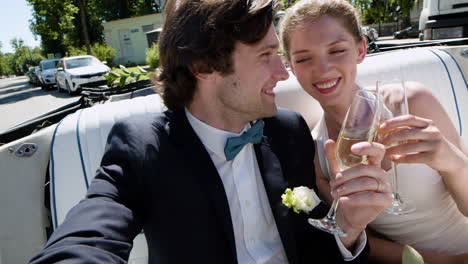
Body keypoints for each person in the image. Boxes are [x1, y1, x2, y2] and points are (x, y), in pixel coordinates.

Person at [30, 0, 392, 263]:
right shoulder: (143, 145)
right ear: (204, 65)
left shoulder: (289, 131)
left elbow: (314, 251)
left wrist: (347, 227)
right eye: (267, 56)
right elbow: (89, 234)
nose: (283, 74)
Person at [279, 0, 468, 263]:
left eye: (336, 51)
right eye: (304, 58)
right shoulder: (317, 151)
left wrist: (455, 164)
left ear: (360, 50)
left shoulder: (411, 102)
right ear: (290, 66)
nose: (322, 69)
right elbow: (362, 236)